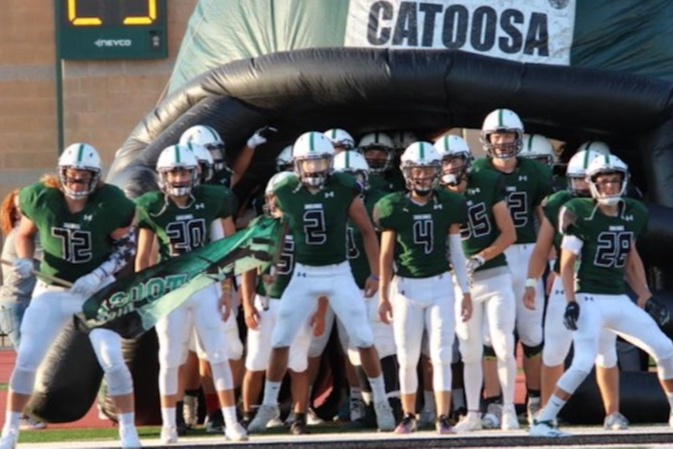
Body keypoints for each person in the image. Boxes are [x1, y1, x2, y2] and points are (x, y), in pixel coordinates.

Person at [246, 131, 396, 433]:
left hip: (339, 272)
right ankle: (269, 404)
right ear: (297, 164)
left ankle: (380, 401)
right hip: (302, 274)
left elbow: (367, 231)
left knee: (363, 338)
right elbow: (281, 231)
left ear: (331, 162)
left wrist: (375, 274)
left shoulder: (343, 187)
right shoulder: (287, 190)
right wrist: (273, 265)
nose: (314, 169)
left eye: (320, 162)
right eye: (308, 163)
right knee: (279, 340)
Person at [0, 143, 141, 449]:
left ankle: (128, 430)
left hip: (95, 291)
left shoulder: (110, 203)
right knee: (26, 361)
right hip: (52, 291)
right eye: (72, 175)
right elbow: (24, 234)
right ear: (61, 174)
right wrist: (25, 259)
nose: (77, 182)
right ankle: (10, 428)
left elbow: (128, 247)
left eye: (83, 177)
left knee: (112, 360)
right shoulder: (42, 198)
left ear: (96, 178)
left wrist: (99, 275)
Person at [529, 154, 673, 437]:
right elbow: (567, 263)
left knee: (667, 350)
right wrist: (571, 301)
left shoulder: (632, 211)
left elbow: (631, 259)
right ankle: (544, 421)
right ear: (592, 184)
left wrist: (645, 295)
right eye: (603, 181)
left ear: (623, 182)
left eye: (614, 181)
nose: (609, 187)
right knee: (583, 361)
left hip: (618, 298)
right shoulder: (578, 211)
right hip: (589, 298)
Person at [134, 144, 247, 443]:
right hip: (170, 291)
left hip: (205, 286)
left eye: (184, 170)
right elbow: (144, 258)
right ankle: (169, 425)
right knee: (170, 358)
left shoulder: (211, 199)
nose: (179, 177)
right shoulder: (152, 206)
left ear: (194, 172)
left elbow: (221, 249)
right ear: (162, 175)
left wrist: (225, 290)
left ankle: (231, 422)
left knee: (218, 354)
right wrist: (146, 297)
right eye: (173, 171)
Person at [375, 141, 472, 435]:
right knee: (406, 355)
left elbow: (457, 252)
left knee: (441, 353)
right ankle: (408, 415)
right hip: (406, 288)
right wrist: (383, 294)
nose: (424, 176)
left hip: (442, 284)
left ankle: (443, 417)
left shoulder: (451, 203)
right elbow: (386, 255)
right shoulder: (392, 206)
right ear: (407, 172)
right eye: (418, 169)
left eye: (429, 169)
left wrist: (465, 291)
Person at [524, 148, 626, 429]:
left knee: (606, 351)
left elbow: (630, 252)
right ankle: (547, 412)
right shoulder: (560, 203)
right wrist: (531, 281)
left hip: (602, 286)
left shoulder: (616, 204)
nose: (582, 186)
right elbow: (542, 247)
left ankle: (612, 413)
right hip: (565, 284)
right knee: (554, 351)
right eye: (577, 179)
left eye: (587, 179)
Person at [473, 109, 553, 424]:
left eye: (508, 135)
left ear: (518, 138)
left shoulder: (535, 171)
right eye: (497, 136)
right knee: (490, 335)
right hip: (491, 256)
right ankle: (494, 402)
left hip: (527, 253)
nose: (503, 142)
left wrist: (552, 255)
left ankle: (534, 399)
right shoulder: (476, 171)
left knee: (532, 331)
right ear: (487, 139)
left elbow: (545, 217)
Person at [434, 135, 519, 431]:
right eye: (444, 161)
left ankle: (509, 409)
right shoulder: (434, 193)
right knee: (469, 349)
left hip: (495, 275)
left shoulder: (486, 182)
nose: (449, 166)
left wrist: (481, 257)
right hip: (461, 283)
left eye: (454, 159)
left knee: (502, 342)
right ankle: (472, 413)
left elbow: (509, 234)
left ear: (466, 160)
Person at [241, 171, 326, 435]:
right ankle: (248, 413)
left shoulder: (307, 225)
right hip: (266, 300)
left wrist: (321, 309)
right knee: (255, 363)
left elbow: (321, 269)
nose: (277, 202)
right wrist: (246, 304)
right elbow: (248, 268)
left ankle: (298, 416)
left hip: (300, 302)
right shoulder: (259, 225)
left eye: (282, 196)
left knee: (298, 364)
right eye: (273, 197)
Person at [334, 150, 400, 428]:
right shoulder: (328, 204)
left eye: (355, 177)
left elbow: (392, 247)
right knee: (353, 348)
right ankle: (370, 408)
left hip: (375, 284)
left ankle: (393, 406)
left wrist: (381, 277)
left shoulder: (379, 203)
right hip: (343, 285)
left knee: (383, 345)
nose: (350, 184)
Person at [0, 191, 46, 432]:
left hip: (27, 304)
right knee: (25, 362)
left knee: (34, 361)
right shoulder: (22, 236)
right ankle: (19, 417)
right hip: (15, 306)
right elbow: (48, 260)